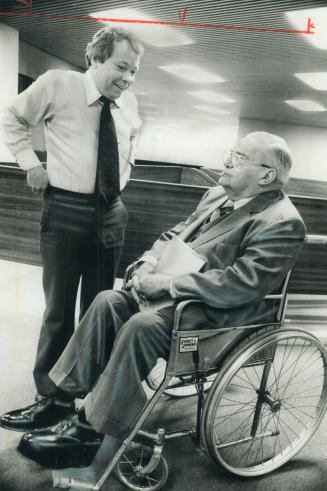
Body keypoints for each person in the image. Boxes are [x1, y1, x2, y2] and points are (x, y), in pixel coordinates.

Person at [0, 131, 306, 470]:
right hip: (178, 299)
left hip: (221, 317)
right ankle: (60, 401)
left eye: (239, 158)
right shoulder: (216, 195)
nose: (227, 162)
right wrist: (146, 264)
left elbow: (243, 284)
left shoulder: (282, 221)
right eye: (229, 154)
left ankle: (90, 430)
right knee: (107, 301)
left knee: (140, 326)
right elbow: (175, 235)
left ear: (266, 176)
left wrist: (170, 285)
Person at [1, 27, 143, 399]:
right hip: (65, 207)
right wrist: (30, 163)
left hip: (111, 211)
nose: (128, 79)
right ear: (94, 59)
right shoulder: (57, 85)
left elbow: (128, 144)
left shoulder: (129, 103)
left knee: (99, 307)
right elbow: (12, 118)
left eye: (134, 72)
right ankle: (49, 394)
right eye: (121, 67)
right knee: (59, 309)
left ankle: (88, 387)